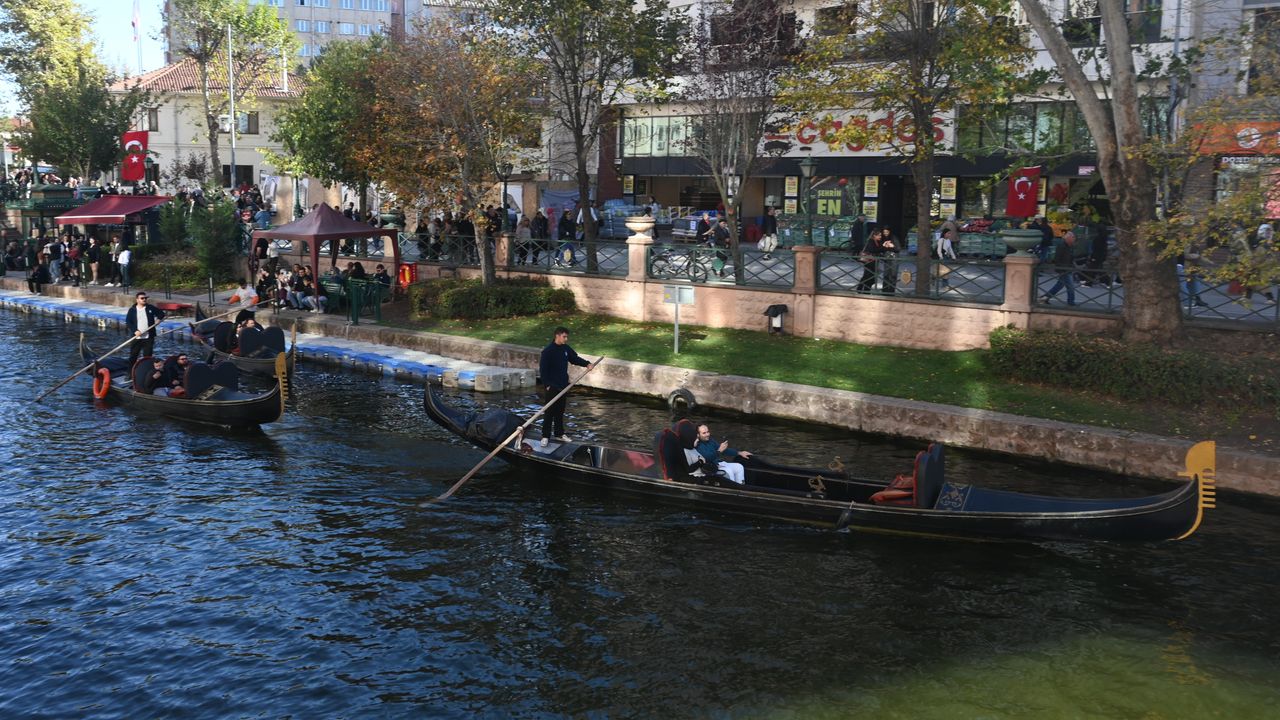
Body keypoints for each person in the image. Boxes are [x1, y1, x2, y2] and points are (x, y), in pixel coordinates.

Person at [537, 326, 596, 447]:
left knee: (560, 411)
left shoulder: (565, 348)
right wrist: (547, 385)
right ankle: (545, 436)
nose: (566, 339)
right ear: (557, 336)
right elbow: (543, 370)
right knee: (549, 412)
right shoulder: (548, 351)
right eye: (564, 337)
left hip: (563, 385)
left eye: (566, 337)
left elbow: (574, 359)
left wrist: (587, 364)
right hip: (552, 386)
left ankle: (559, 433)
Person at [126, 291, 166, 366]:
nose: (144, 299)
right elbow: (128, 322)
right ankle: (130, 371)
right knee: (133, 356)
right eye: (142, 298)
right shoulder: (132, 310)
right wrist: (135, 331)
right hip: (137, 337)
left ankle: (147, 369)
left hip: (149, 337)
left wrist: (158, 320)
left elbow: (161, 314)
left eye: (145, 298)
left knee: (148, 356)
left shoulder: (150, 308)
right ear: (137, 300)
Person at [1040, 230, 1078, 306]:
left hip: (1067, 268)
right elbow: (1057, 258)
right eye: (1073, 237)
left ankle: (1045, 297)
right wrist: (1063, 267)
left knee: (1059, 285)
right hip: (1064, 269)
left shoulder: (1070, 246)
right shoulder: (1062, 246)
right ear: (1068, 238)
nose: (1074, 239)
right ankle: (1071, 302)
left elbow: (1070, 258)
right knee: (1070, 286)